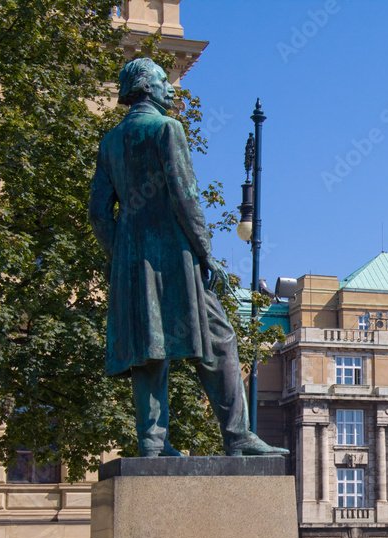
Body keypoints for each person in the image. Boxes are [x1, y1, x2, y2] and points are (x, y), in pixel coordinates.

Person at [89, 58, 286, 458]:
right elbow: (185, 195)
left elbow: (98, 213)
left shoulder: (110, 141)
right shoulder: (167, 129)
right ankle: (237, 436)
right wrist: (206, 252)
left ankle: (152, 443)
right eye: (164, 82)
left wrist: (121, 256)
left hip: (132, 261)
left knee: (149, 351)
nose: (169, 89)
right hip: (175, 257)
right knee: (219, 339)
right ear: (146, 87)